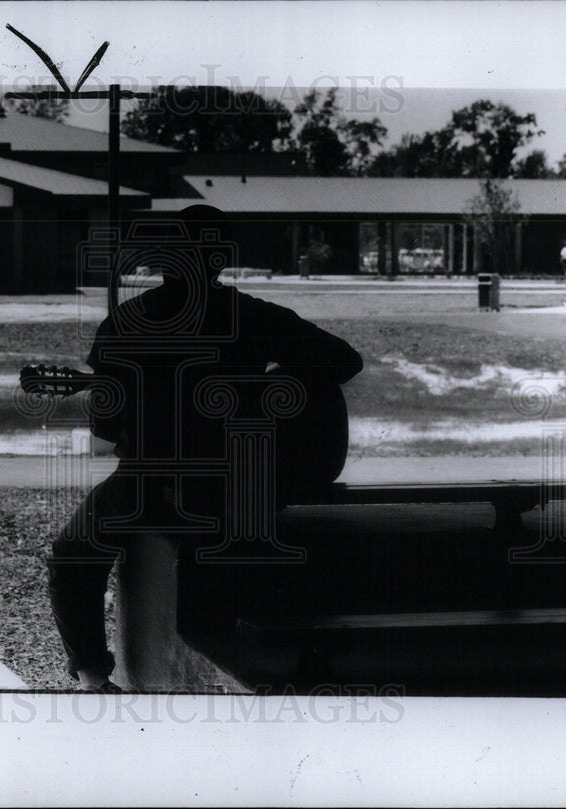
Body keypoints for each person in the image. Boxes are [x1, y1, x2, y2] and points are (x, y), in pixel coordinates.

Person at [46, 205, 363, 691]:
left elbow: (108, 434)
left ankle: (92, 676)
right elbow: (344, 360)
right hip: (247, 478)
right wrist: (268, 393)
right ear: (220, 259)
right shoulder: (251, 314)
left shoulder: (126, 325)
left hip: (156, 481)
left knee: (71, 556)